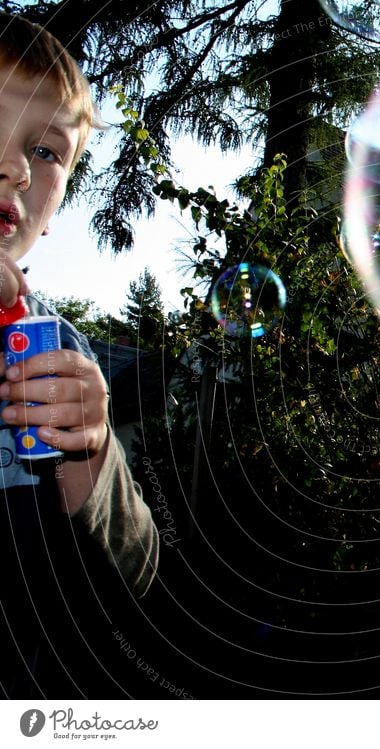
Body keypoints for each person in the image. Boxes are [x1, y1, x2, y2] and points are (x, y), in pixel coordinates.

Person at [0, 12, 159, 697]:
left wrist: (91, 452)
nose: (13, 166)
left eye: (46, 152)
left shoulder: (62, 352)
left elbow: (137, 567)